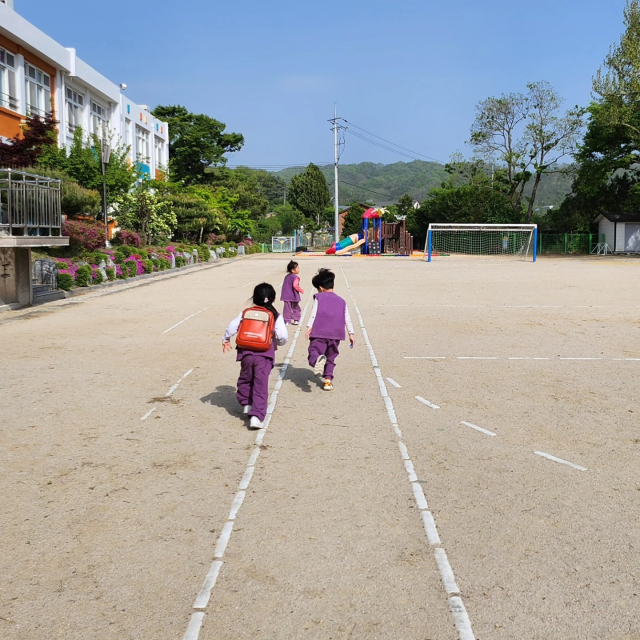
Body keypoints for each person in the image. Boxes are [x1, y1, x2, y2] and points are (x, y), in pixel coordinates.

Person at [223, 283, 288, 429]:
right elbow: (283, 336)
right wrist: (276, 340)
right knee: (260, 384)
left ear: (254, 297)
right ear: (272, 299)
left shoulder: (247, 312)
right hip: (264, 354)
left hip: (245, 352)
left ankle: (246, 402)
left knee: (245, 378)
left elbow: (232, 327)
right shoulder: (275, 315)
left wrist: (225, 339)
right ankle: (257, 416)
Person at [305, 268, 355, 391]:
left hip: (320, 332)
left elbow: (314, 312)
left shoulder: (319, 297)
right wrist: (351, 333)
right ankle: (327, 381)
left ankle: (317, 360)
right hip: (336, 334)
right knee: (331, 357)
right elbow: (347, 318)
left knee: (314, 351)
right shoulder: (342, 301)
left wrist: (309, 326)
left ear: (321, 288)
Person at [281, 260, 304, 325]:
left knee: (287, 309)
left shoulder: (287, 277)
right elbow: (295, 285)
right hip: (293, 295)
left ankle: (287, 321)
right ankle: (296, 319)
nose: (298, 269)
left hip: (286, 295)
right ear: (293, 270)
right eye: (297, 268)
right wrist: (300, 290)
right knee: (296, 307)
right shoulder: (296, 277)